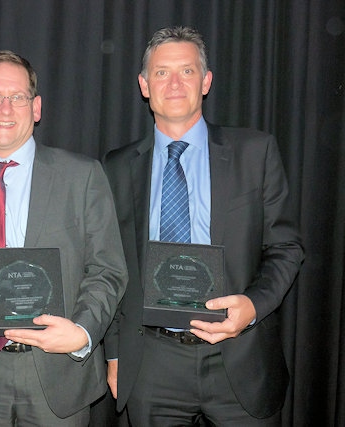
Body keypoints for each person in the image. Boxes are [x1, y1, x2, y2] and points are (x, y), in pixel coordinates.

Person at [102, 26, 304, 426]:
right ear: (144, 85)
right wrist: (113, 353)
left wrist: (253, 306)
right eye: (161, 73)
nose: (174, 83)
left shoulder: (255, 152)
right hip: (151, 365)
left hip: (239, 357)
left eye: (187, 71)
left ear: (206, 81)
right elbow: (109, 264)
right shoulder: (116, 166)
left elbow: (286, 247)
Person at [0, 50, 128, 426]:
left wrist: (83, 332)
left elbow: (107, 269)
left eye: (17, 97)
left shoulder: (82, 177)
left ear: (36, 108)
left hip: (55, 375)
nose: (5, 108)